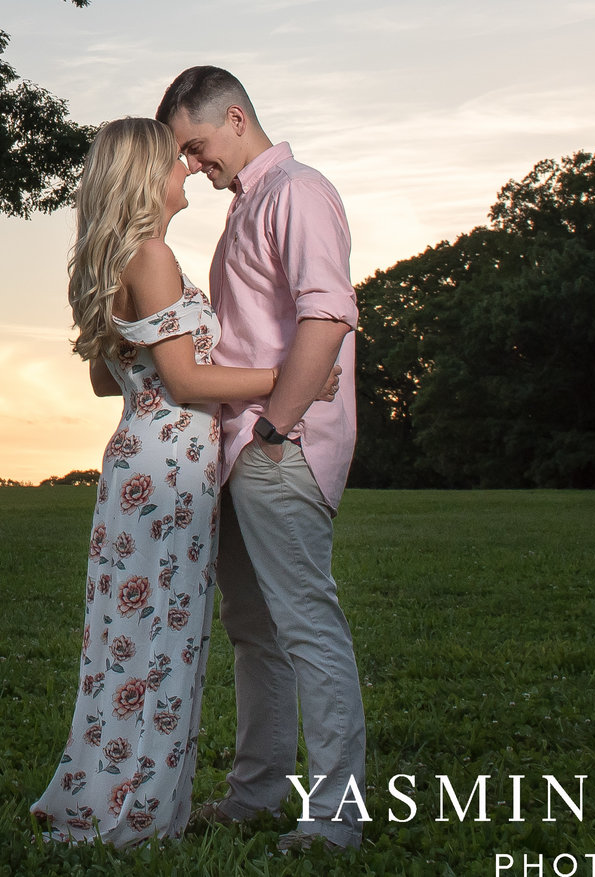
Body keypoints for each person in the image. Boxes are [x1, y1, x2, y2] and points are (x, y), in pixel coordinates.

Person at [31, 117, 337, 847]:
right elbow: (184, 375)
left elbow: (112, 380)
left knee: (129, 635)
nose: (189, 171)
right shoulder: (155, 253)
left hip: (139, 457)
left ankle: (112, 793)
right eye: (176, 161)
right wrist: (294, 378)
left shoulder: (115, 258)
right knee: (159, 636)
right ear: (145, 177)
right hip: (168, 473)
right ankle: (131, 813)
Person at [160, 65, 367, 855]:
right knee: (254, 631)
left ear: (237, 118)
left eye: (197, 144)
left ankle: (336, 819)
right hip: (241, 445)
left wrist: (277, 426)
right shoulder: (247, 208)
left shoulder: (298, 192)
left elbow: (328, 313)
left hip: (280, 444)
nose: (193, 164)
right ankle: (254, 794)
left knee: (308, 625)